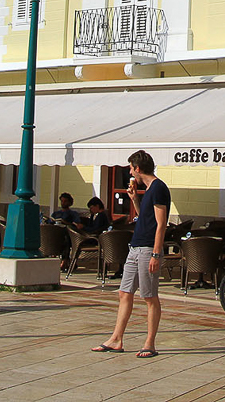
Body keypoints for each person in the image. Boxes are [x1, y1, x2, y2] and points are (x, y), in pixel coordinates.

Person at [93, 150, 170, 358]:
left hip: (147, 249)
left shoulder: (159, 188)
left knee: (149, 296)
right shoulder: (148, 190)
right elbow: (146, 219)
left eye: (130, 168)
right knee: (124, 293)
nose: (129, 172)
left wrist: (155, 254)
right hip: (135, 247)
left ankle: (150, 343)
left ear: (137, 168)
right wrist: (134, 199)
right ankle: (116, 339)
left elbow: (161, 224)